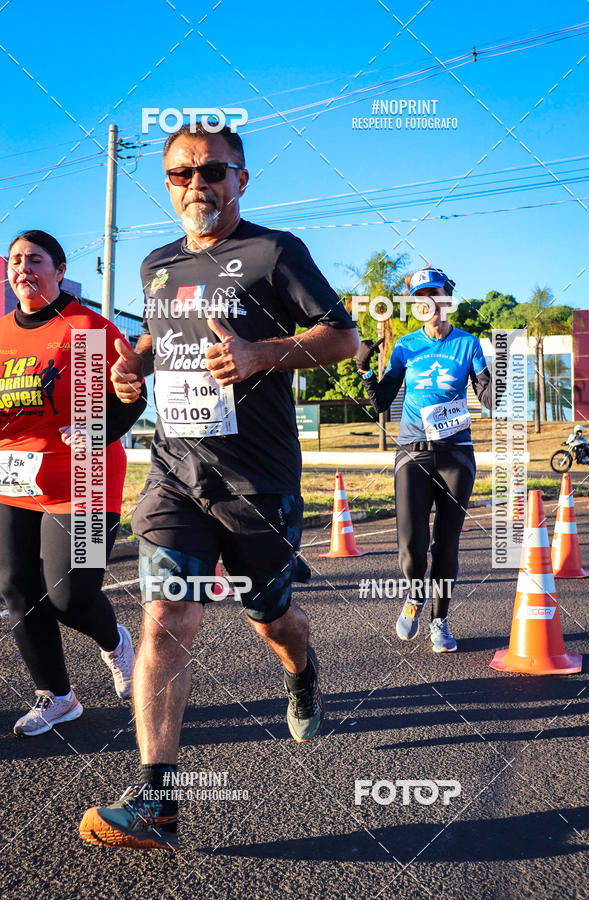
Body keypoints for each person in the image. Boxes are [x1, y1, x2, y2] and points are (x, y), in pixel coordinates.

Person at [79, 124, 359, 850]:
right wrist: (133, 367)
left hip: (257, 481)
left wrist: (261, 353)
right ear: (167, 183)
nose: (196, 185)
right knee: (166, 618)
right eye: (181, 174)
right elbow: (159, 340)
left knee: (272, 619)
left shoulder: (275, 252)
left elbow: (343, 337)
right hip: (176, 472)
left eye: (211, 171)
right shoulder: (157, 264)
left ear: (241, 178)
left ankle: (303, 672)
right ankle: (158, 802)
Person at [1, 230, 146, 736]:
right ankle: (57, 697)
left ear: (60, 271)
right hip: (14, 479)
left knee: (69, 597)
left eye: (35, 260)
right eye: (15, 260)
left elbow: (133, 396)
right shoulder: (1, 333)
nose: (23, 268)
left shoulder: (88, 328)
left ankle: (116, 642)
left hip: (84, 479)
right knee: (17, 588)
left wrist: (96, 431)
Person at [356, 267, 494, 653]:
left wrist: (495, 371)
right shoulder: (405, 346)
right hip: (412, 453)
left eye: (434, 293)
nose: (428, 302)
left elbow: (490, 401)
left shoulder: (468, 344)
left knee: (445, 544)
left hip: (456, 455)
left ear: (447, 297)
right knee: (411, 546)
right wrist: (364, 370)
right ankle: (415, 595)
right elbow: (381, 402)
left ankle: (439, 620)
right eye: (420, 297)